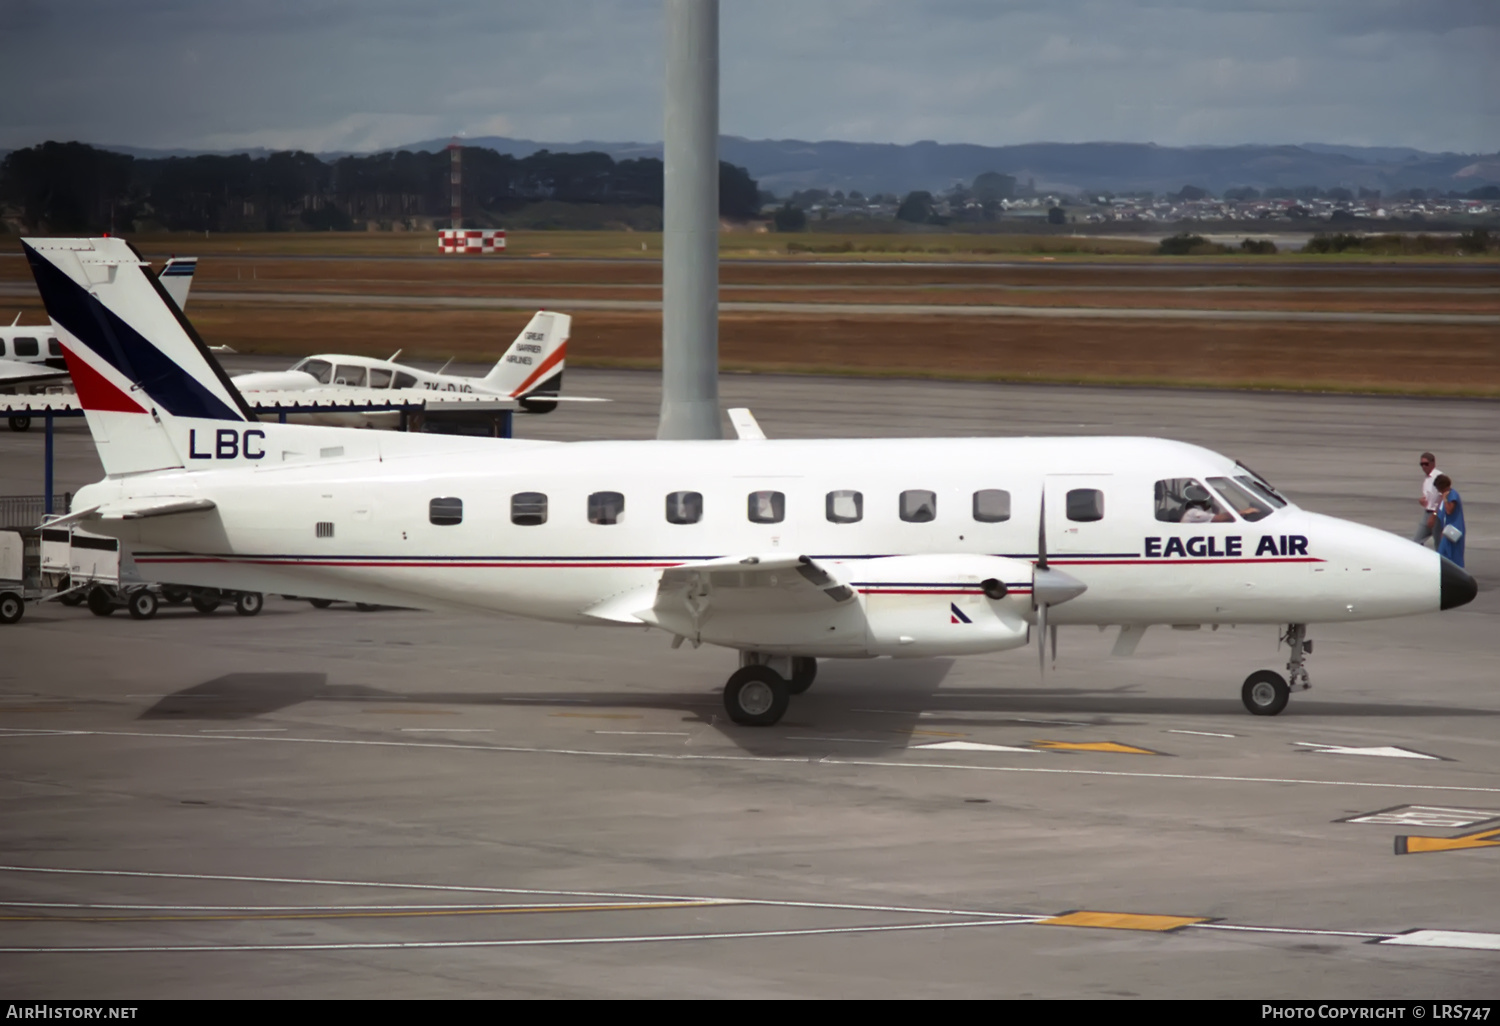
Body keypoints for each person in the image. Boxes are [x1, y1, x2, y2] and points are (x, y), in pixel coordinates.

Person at [1433, 474, 1466, 568]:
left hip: (1454, 531)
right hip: (1447, 531)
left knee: (1453, 555)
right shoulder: (1447, 495)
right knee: (1444, 553)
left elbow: (1449, 510)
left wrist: (1445, 499)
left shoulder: (1451, 495)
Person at [1413, 452, 1443, 546]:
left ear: (1433, 463)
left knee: (1439, 544)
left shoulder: (1439, 477)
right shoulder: (1427, 479)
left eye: (1426, 464)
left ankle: (1441, 560)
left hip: (1437, 515)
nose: (1424, 467)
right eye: (1421, 464)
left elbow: (1443, 497)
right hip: (1427, 513)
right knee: (1416, 542)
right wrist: (1422, 501)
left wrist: (1434, 515)